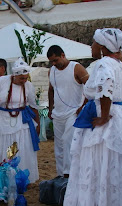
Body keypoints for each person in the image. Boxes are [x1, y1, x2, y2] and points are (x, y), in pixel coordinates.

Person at [61, 28, 122, 206]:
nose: (91, 47)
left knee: (95, 167)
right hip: (120, 116)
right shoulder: (121, 65)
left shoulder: (104, 64)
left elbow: (105, 87)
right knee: (111, 169)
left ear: (102, 48)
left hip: (106, 119)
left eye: (93, 43)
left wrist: (103, 115)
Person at [0, 58, 40, 183]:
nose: (24, 81)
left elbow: (33, 106)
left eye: (26, 78)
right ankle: (4, 176)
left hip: (21, 121)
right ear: (15, 75)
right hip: (3, 121)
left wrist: (38, 124)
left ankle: (20, 177)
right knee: (6, 147)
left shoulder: (28, 86)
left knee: (18, 146)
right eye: (22, 78)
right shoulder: (2, 81)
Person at [47, 45, 89, 178]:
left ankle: (69, 173)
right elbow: (51, 90)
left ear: (63, 55)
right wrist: (50, 107)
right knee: (58, 145)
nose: (54, 64)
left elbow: (90, 86)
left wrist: (83, 106)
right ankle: (60, 174)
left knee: (68, 141)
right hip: (57, 113)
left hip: (73, 112)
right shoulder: (51, 71)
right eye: (51, 61)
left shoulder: (76, 68)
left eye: (56, 60)